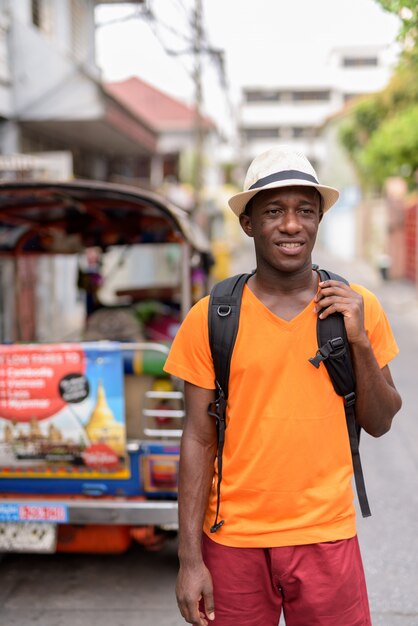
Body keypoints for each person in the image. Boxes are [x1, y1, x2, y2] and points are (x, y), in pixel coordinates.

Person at [164, 146, 402, 626]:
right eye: (274, 210)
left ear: (318, 222)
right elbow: (196, 437)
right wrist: (190, 561)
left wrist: (358, 341)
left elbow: (380, 422)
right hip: (232, 541)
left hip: (326, 538)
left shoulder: (359, 308)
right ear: (248, 223)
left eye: (305, 212)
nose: (291, 225)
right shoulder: (211, 317)